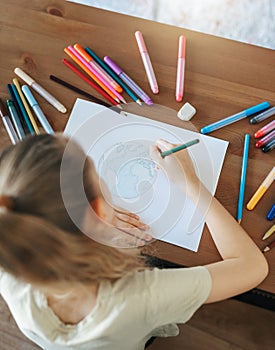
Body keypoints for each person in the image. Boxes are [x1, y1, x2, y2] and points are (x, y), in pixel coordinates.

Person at [0, 134, 268, 350]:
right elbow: (252, 267)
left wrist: (92, 228)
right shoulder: (142, 296)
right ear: (99, 212)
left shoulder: (9, 252)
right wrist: (191, 184)